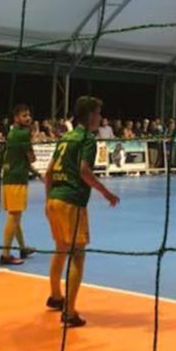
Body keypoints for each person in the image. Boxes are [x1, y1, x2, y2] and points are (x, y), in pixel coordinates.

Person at [44, 96, 120, 328]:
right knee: (77, 254)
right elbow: (84, 171)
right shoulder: (87, 139)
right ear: (90, 116)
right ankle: (69, 312)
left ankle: (56, 296)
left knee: (60, 249)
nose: (100, 117)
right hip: (72, 201)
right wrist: (106, 193)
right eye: (98, 113)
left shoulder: (66, 137)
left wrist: (47, 201)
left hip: (54, 199)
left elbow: (48, 172)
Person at [0, 104, 38, 266]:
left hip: (8, 177)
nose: (28, 118)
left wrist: (37, 173)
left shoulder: (12, 132)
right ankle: (5, 254)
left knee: (15, 216)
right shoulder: (23, 134)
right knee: (14, 216)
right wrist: (32, 137)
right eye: (24, 115)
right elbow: (32, 158)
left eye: (28, 115)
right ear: (16, 118)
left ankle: (22, 248)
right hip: (17, 179)